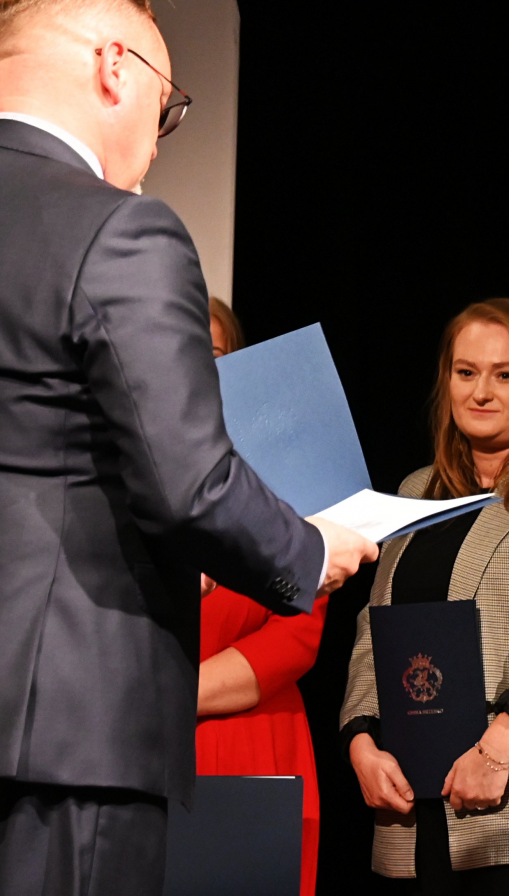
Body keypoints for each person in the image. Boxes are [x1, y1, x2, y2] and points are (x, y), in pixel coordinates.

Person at [0, 0, 375, 896]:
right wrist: (308, 547)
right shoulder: (124, 231)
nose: (158, 143)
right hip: (60, 732)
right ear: (116, 66)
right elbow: (188, 483)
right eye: (167, 107)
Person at [341, 298, 509, 895]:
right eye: (466, 372)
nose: (481, 392)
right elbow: (373, 631)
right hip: (413, 804)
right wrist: (361, 740)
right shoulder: (416, 490)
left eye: (505, 375)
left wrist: (499, 744)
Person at [195, 305, 327, 896]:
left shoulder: (285, 475)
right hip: (129, 750)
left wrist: (162, 696)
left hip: (251, 739)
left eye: (210, 353)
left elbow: (296, 633)